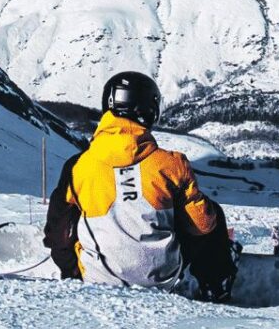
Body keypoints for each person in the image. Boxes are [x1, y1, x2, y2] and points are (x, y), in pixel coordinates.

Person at [42, 71, 237, 301]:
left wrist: (73, 272)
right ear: (149, 110)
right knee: (209, 212)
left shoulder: (78, 167)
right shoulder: (171, 163)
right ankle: (215, 284)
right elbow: (202, 226)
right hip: (162, 279)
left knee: (73, 211)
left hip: (97, 279)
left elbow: (58, 233)